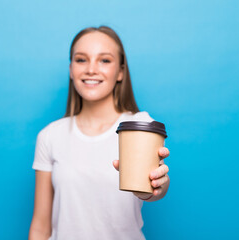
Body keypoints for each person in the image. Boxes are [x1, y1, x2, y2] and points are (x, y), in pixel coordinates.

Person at [28, 26, 170, 240]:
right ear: (70, 69)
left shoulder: (139, 125)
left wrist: (156, 187)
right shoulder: (50, 136)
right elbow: (40, 227)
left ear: (121, 71)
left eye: (104, 60)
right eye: (81, 59)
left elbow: (152, 188)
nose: (91, 69)